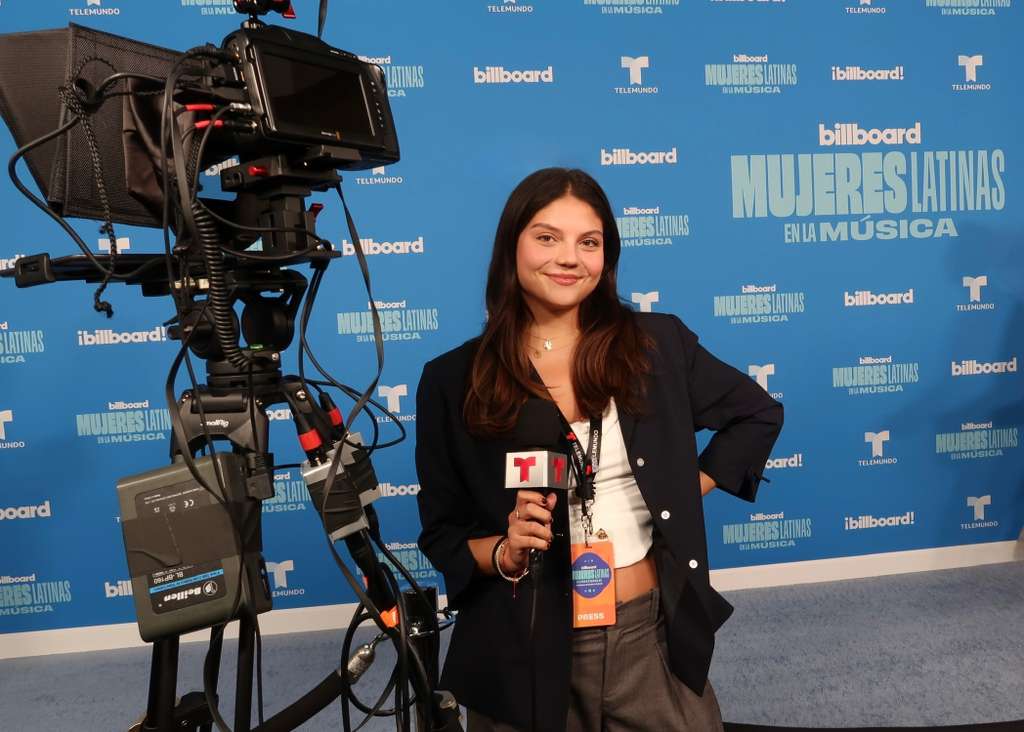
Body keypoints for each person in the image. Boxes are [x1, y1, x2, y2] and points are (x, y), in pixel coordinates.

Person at [415, 168, 783, 732]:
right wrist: (506, 553)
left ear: (606, 257)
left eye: (589, 242)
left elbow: (756, 414)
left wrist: (684, 487)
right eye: (547, 237)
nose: (569, 258)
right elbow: (442, 533)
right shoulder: (452, 378)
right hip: (520, 644)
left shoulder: (657, 344)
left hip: (648, 637)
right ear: (511, 245)